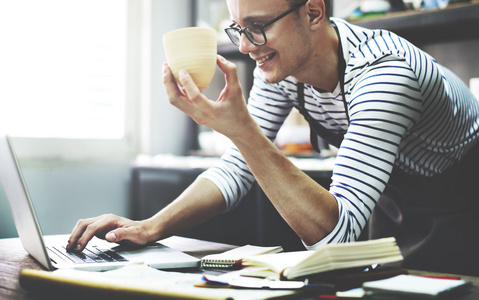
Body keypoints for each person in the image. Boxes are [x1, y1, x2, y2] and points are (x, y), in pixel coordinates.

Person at [67, 0, 479, 276]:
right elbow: (235, 170)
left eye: (258, 27)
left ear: (313, 12)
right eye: (239, 29)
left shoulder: (386, 74)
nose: (246, 47)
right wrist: (148, 227)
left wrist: (242, 130)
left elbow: (333, 236)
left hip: (465, 204)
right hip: (391, 201)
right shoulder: (283, 71)